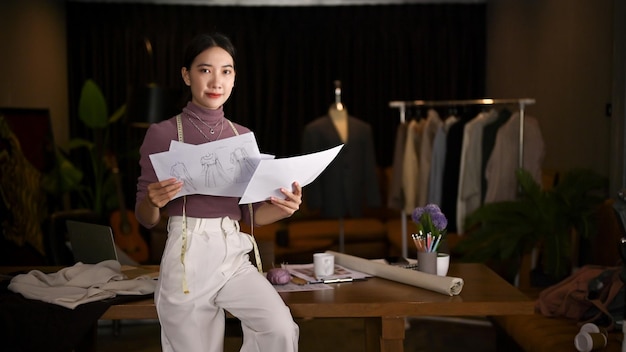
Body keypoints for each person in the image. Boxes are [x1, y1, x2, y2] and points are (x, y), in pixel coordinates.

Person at [135, 32, 301, 352]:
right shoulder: (162, 134)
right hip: (186, 255)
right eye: (205, 70)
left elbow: (249, 214)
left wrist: (283, 208)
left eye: (226, 71)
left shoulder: (243, 136)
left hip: (233, 253)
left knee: (280, 329)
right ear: (187, 75)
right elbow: (145, 218)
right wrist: (153, 201)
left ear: (234, 78)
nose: (216, 81)